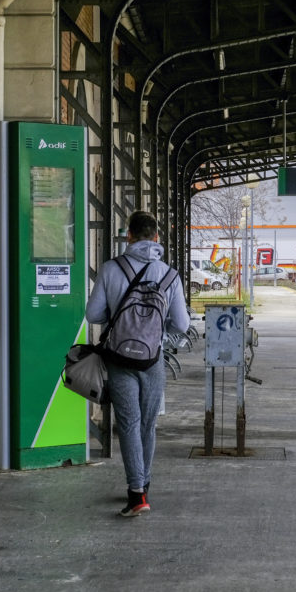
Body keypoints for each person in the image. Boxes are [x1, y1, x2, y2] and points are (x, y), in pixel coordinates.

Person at [85, 210, 189, 517]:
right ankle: (144, 483)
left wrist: (119, 322)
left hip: (119, 359)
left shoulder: (110, 269)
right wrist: (156, 333)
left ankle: (136, 493)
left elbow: (93, 316)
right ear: (156, 238)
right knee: (147, 424)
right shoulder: (169, 274)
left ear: (127, 236)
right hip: (153, 360)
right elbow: (182, 324)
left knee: (128, 424)